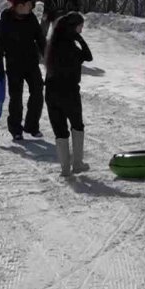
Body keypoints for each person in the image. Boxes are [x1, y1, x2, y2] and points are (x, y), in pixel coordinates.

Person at [44, 12, 93, 177]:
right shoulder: (71, 48)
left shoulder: (52, 46)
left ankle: (65, 168)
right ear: (73, 28)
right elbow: (88, 56)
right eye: (80, 27)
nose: (82, 30)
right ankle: (77, 164)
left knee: (60, 130)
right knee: (77, 125)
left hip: (51, 92)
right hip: (69, 92)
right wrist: (79, 39)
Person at [0, 0, 46, 140]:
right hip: (13, 64)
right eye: (30, 5)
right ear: (20, 5)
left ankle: (31, 126)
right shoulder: (5, 22)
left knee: (37, 92)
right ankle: (16, 129)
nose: (32, 8)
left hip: (31, 63)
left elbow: (40, 40)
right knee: (16, 98)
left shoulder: (31, 19)